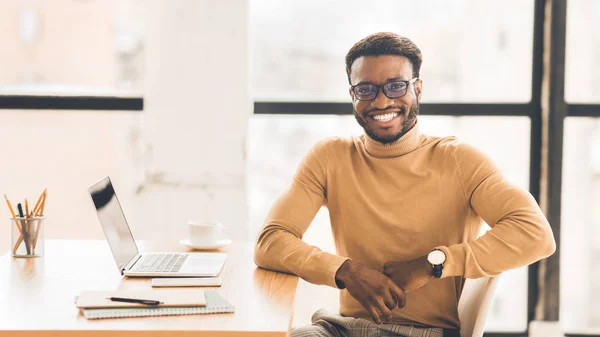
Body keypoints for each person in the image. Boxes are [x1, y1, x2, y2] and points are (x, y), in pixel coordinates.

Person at [254, 32, 556, 337]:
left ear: (418, 89)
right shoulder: (330, 156)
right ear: (353, 96)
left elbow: (536, 234)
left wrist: (433, 264)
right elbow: (271, 241)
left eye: (396, 86)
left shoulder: (458, 160)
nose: (382, 100)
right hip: (342, 328)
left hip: (426, 332)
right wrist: (345, 270)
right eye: (366, 89)